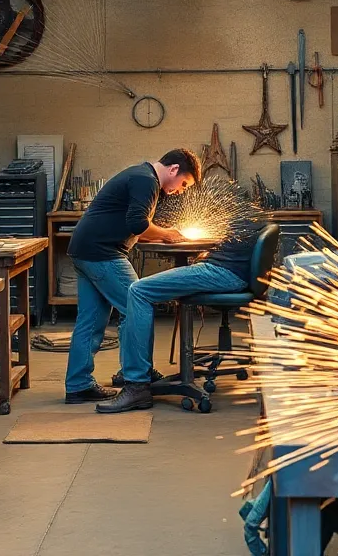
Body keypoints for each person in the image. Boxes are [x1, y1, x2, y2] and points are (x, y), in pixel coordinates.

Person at [63, 149, 201, 404]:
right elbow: (137, 224)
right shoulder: (146, 180)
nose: (181, 191)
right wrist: (168, 234)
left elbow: (133, 222)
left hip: (84, 250)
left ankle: (78, 385)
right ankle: (137, 377)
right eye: (183, 184)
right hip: (102, 253)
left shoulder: (142, 176)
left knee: (91, 321)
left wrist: (161, 233)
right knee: (138, 305)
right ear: (173, 170)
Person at [97, 217, 265, 414]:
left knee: (138, 290)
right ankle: (142, 376)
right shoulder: (252, 217)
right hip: (227, 272)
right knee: (142, 290)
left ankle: (137, 385)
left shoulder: (243, 214)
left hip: (222, 273)